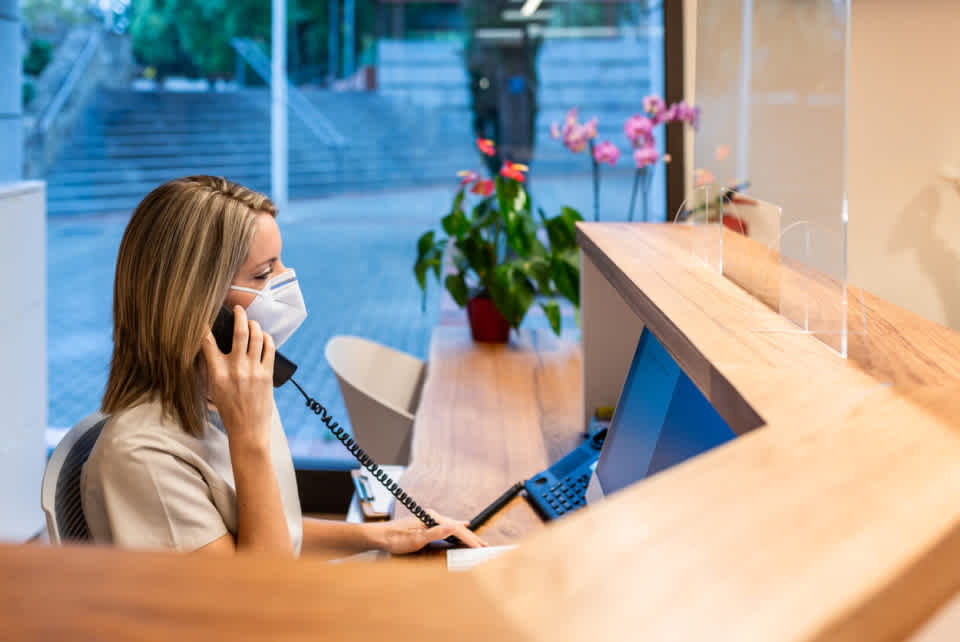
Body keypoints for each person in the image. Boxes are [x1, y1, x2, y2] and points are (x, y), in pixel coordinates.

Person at [81, 175, 486, 555]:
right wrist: (249, 439)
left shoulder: (234, 392)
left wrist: (376, 534)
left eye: (280, 262)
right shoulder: (144, 458)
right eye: (263, 272)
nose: (287, 278)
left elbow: (258, 531)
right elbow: (258, 602)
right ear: (197, 309)